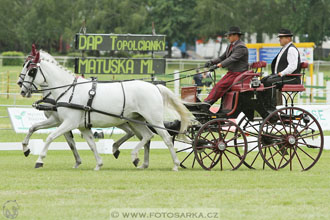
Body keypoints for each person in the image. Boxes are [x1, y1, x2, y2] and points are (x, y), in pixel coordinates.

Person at [203, 26, 249, 107]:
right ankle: (208, 101)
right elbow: (222, 58)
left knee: (221, 85)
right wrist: (211, 62)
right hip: (232, 73)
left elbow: (232, 59)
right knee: (218, 85)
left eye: (229, 35)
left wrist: (218, 65)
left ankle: (208, 102)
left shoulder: (241, 47)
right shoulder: (230, 46)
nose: (228, 37)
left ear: (236, 36)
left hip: (238, 73)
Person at [261, 28, 301, 111]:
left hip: (292, 79)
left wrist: (281, 73)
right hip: (285, 77)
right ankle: (264, 104)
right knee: (263, 81)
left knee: (270, 82)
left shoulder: (291, 49)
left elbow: (293, 66)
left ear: (288, 38)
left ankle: (271, 107)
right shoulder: (284, 49)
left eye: (281, 37)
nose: (279, 39)